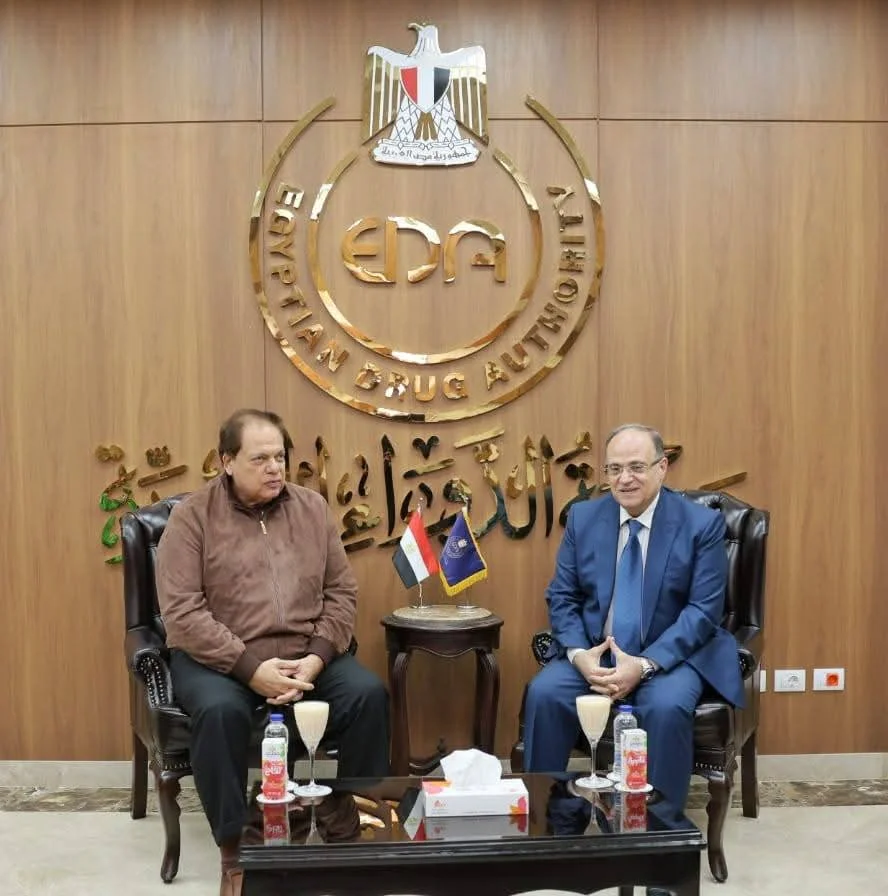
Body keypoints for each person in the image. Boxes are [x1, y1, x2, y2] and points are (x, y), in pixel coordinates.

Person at [156, 409, 389, 896]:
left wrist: (317, 657)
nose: (274, 468)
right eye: (259, 459)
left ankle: (338, 809)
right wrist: (250, 669)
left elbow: (342, 593)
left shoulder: (312, 509)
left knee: (367, 694)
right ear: (227, 461)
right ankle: (234, 845)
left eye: (279, 457)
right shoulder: (192, 518)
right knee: (219, 713)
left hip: (304, 654)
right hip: (220, 660)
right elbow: (183, 613)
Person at [523, 423, 743, 823]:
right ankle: (547, 824)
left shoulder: (700, 525)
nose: (625, 479)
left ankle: (658, 833)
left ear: (662, 467)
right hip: (597, 652)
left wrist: (642, 665)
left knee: (665, 706)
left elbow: (702, 611)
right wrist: (579, 656)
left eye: (637, 467)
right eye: (614, 469)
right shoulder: (584, 518)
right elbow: (563, 596)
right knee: (545, 693)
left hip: (668, 658)